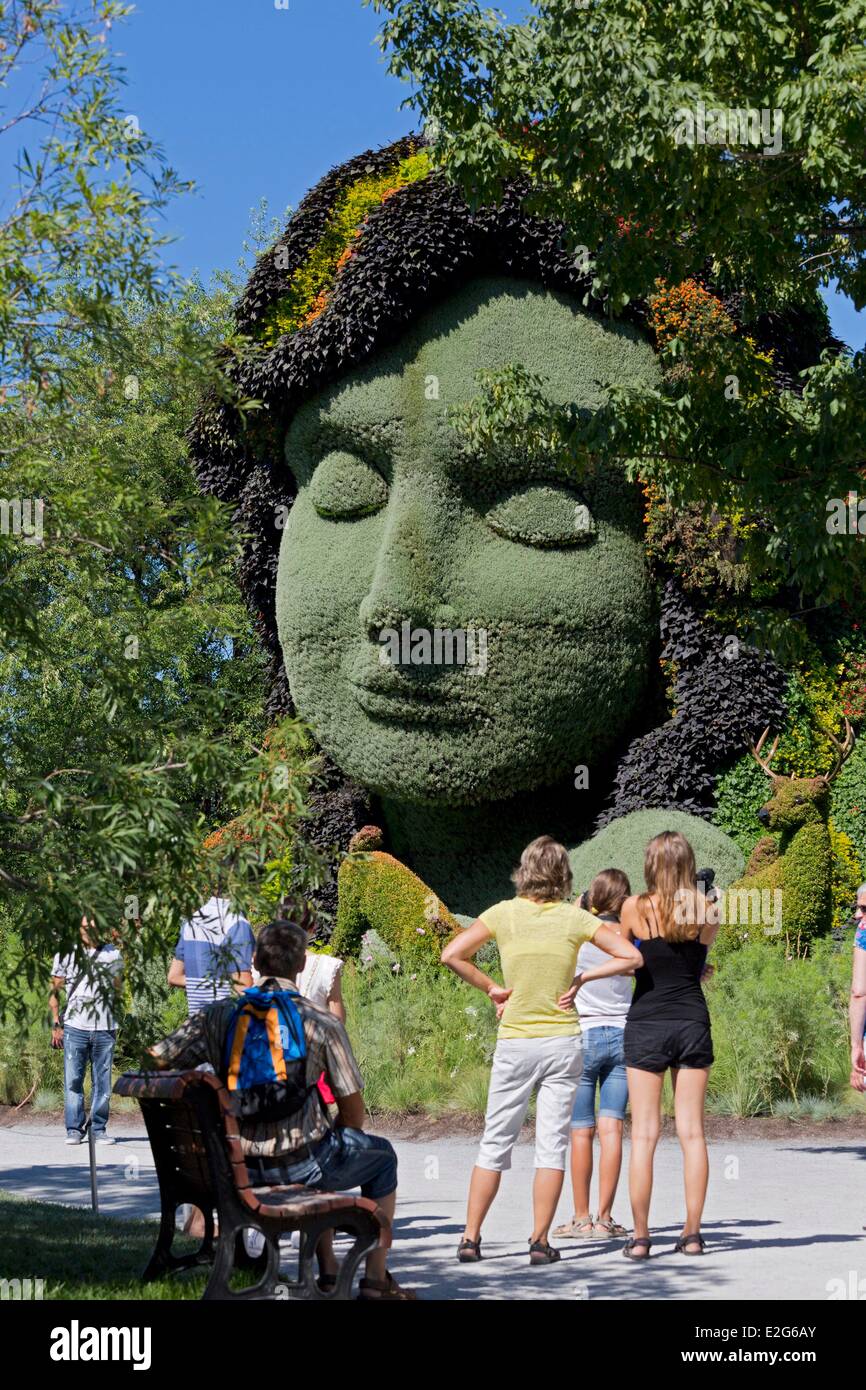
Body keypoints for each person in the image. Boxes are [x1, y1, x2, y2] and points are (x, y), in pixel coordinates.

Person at [149, 918, 415, 1300]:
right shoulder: (321, 1022)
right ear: (303, 964)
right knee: (380, 1155)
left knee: (328, 1145)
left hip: (233, 1166)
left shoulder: (219, 1016)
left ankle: (328, 1270)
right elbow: (353, 1118)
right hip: (302, 1164)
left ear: (254, 959)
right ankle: (374, 1280)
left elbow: (158, 1058)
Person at [441, 836, 641, 1265]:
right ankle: (538, 1241)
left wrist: (492, 989)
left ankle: (470, 1238)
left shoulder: (502, 913)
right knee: (551, 1145)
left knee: (494, 1141)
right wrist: (583, 981)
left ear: (524, 871)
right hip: (562, 1042)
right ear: (564, 876)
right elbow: (631, 957)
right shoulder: (575, 919)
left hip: (515, 1041)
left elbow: (452, 954)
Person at [619, 831, 719, 1260]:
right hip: (691, 1020)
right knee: (692, 1134)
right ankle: (692, 1234)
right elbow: (695, 966)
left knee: (643, 1136)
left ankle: (641, 1239)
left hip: (646, 1020)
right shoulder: (708, 910)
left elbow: (629, 961)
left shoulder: (633, 908)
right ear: (688, 864)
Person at [553, 868, 632, 1241]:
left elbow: (570, 913)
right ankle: (605, 1217)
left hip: (583, 1035)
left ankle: (580, 1217)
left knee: (580, 1132)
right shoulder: (630, 936)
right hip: (622, 1034)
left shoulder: (578, 933)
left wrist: (583, 902)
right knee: (612, 1128)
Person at [50, 916, 124, 1146]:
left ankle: (98, 1129)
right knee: (73, 1080)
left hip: (105, 1027)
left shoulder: (113, 954)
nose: (88, 931)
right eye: (84, 926)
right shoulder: (66, 953)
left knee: (102, 1082)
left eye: (92, 927)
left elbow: (118, 987)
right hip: (75, 1026)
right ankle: (74, 1129)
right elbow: (54, 990)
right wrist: (55, 1023)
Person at [168, 892, 255, 1014]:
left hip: (196, 1024)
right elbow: (242, 988)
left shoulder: (191, 922)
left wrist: (203, 983)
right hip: (227, 1025)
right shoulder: (237, 923)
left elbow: (174, 976)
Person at [848, 885, 866, 1093]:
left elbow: (859, 992)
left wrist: (856, 1046)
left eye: (864, 909)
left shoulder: (864, 931)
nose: (858, 915)